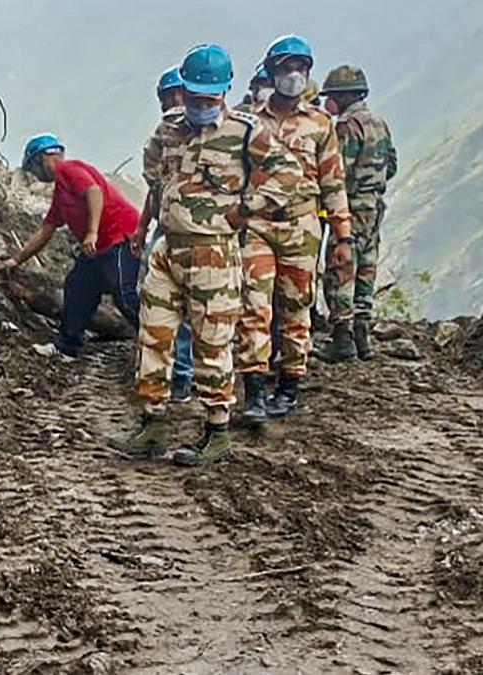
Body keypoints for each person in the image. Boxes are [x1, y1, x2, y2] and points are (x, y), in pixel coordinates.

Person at [113, 43, 302, 467]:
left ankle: (217, 430)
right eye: (194, 96)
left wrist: (245, 210)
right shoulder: (169, 128)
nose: (200, 105)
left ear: (224, 92)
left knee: (212, 344)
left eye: (208, 98)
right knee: (153, 338)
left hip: (213, 254)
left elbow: (289, 176)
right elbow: (154, 170)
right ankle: (152, 423)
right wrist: (157, 211)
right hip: (168, 249)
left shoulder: (246, 132)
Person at [234, 35, 353, 422]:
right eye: (287, 68)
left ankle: (288, 386)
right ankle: (254, 389)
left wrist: (343, 237)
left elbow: (333, 182)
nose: (294, 75)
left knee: (296, 307)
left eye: (301, 68)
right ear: (272, 72)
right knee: (253, 306)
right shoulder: (248, 122)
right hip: (258, 225)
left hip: (302, 227)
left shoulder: (320, 124)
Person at [2, 134, 142, 358]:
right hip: (97, 247)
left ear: (42, 159)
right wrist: (16, 260)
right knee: (77, 288)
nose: (34, 175)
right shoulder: (61, 193)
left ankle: (161, 343)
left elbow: (94, 191)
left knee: (124, 295)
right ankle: (67, 346)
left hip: (119, 237)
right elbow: (45, 230)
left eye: (33, 168)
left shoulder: (68, 169)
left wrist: (92, 232)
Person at [319, 65, 399, 361]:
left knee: (340, 271)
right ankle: (363, 338)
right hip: (375, 205)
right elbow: (391, 166)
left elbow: (338, 171)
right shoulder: (379, 123)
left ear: (343, 96)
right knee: (366, 268)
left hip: (351, 207)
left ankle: (342, 340)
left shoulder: (346, 127)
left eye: (332, 96)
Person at [134, 66, 195, 402]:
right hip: (165, 228)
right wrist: (142, 226)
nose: (172, 102)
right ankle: (157, 372)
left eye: (176, 94)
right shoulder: (163, 136)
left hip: (199, 233)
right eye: (166, 97)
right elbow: (156, 187)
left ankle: (183, 374)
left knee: (190, 305)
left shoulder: (211, 133)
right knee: (152, 297)